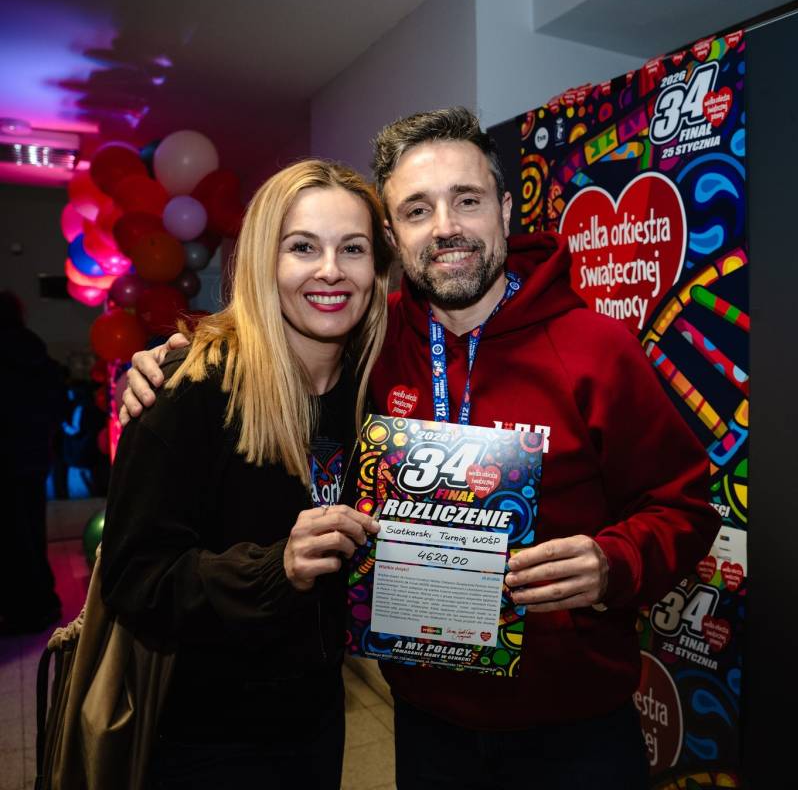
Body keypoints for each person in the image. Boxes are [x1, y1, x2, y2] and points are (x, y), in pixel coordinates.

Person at [121, 108, 721, 789]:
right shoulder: (372, 342)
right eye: (416, 209)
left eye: (467, 200)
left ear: (504, 209)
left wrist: (616, 562)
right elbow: (273, 340)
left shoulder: (596, 349)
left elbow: (685, 509)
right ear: (393, 235)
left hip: (574, 728)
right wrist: (180, 355)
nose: (444, 227)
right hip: (426, 721)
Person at [100, 159, 390, 789]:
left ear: (377, 269)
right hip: (209, 736)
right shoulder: (192, 388)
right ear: (264, 260)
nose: (331, 270)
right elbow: (134, 579)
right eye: (302, 247)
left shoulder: (373, 394)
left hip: (318, 719)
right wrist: (275, 568)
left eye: (353, 248)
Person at [0, 290, 63, 634]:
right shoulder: (34, 349)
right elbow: (56, 397)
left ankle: (25, 609)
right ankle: (43, 603)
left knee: (13, 538)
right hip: (34, 453)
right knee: (32, 531)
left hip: (8, 456)